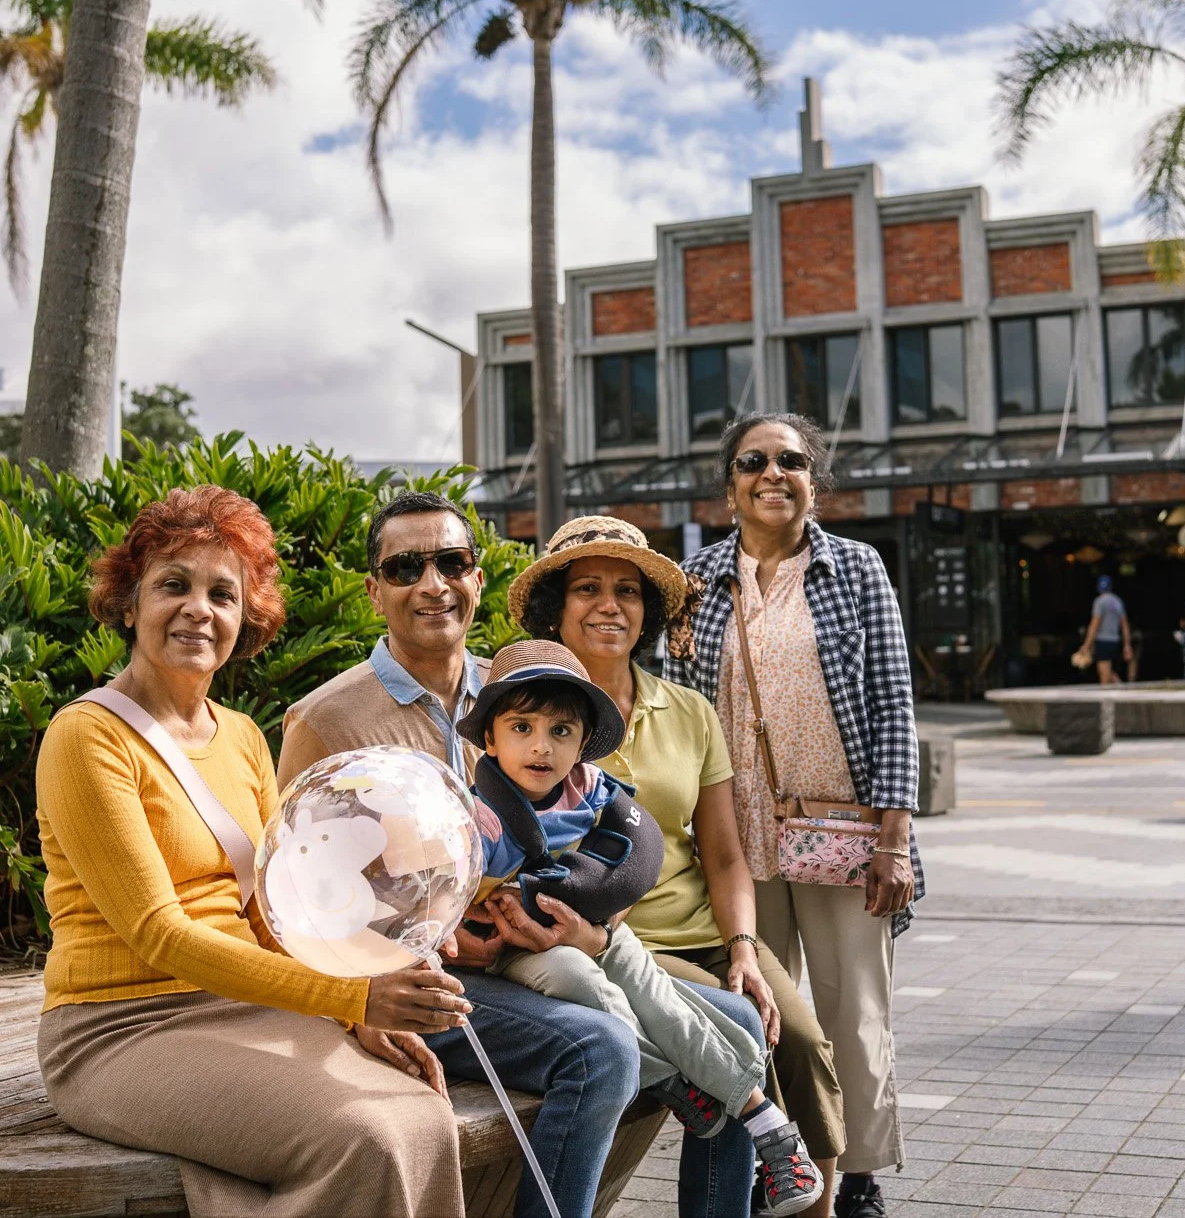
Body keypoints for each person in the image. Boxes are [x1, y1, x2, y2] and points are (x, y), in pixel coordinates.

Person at [279, 491, 761, 1218]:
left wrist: (590, 921)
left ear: (477, 578)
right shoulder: (327, 718)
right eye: (406, 566)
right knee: (600, 1049)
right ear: (375, 589)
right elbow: (294, 899)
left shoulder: (524, 683)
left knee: (744, 1022)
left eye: (452, 561)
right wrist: (364, 999)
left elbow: (606, 823)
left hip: (545, 949)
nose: (432, 582)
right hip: (423, 981)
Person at [34, 485, 470, 1218]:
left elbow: (278, 908)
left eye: (222, 593)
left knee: (426, 1115)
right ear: (129, 603)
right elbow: (159, 933)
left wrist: (358, 1017)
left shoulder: (238, 735)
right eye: (174, 584)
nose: (199, 608)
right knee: (362, 1135)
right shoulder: (88, 737)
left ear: (246, 616)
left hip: (245, 1006)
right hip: (119, 1028)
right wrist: (352, 994)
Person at [512, 515, 847, 1218]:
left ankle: (816, 1208)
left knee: (807, 1041)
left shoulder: (689, 709)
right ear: (555, 608)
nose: (611, 604)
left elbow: (724, 854)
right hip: (617, 942)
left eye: (628, 590)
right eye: (589, 588)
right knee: (746, 1029)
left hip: (705, 927)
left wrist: (745, 948)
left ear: (649, 611)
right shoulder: (528, 714)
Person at [462, 640, 827, 1216]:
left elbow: (638, 848)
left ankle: (765, 1120)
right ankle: (689, 1087)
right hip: (520, 951)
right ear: (489, 738)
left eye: (561, 732)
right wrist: (516, 906)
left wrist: (587, 904)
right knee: (583, 983)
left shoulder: (588, 788)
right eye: (522, 727)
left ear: (583, 744)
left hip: (594, 926)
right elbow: (449, 893)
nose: (541, 746)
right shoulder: (476, 812)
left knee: (666, 996)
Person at [669, 414, 920, 1218]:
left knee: (854, 1010)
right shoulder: (697, 577)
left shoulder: (856, 568)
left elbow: (893, 706)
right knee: (761, 1012)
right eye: (754, 461)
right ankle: (771, 1164)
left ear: (814, 479)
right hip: (734, 840)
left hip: (844, 835)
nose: (772, 473)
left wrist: (895, 841)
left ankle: (859, 1173)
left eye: (791, 460)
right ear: (729, 482)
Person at [1078, 574, 1132, 685]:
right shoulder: (1117, 602)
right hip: (1115, 640)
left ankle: (1107, 701)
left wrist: (1086, 645)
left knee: (1104, 674)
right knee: (1109, 671)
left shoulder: (1099, 602)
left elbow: (1094, 625)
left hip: (1103, 641)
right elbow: (1125, 625)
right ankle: (1125, 693)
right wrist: (1127, 644)